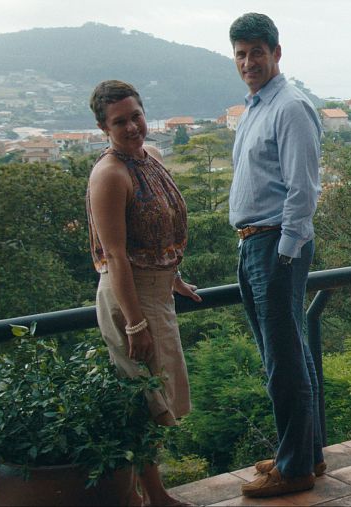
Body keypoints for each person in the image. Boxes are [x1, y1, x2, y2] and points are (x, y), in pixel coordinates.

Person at [87, 79, 201, 507]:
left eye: (136, 116)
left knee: (158, 397)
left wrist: (173, 277)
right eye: (120, 122)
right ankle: (151, 496)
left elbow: (158, 230)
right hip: (129, 298)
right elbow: (116, 256)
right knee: (145, 402)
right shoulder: (109, 175)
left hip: (157, 292)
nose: (132, 127)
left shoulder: (150, 157)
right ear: (104, 127)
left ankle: (148, 495)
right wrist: (135, 324)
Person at [227, 12, 325, 498]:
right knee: (289, 354)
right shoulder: (255, 107)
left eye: (257, 53)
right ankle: (307, 453)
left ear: (276, 53)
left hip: (275, 246)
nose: (249, 62)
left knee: (282, 362)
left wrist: (284, 254)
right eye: (241, 54)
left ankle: (294, 468)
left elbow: (302, 190)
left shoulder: (289, 107)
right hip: (256, 243)